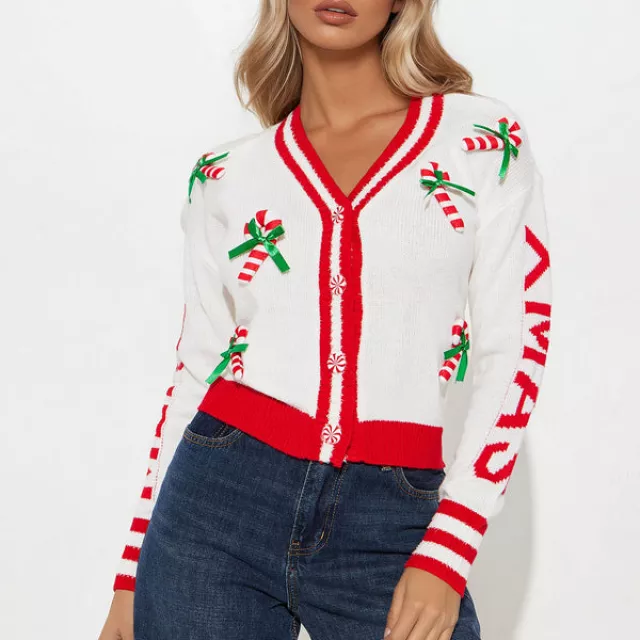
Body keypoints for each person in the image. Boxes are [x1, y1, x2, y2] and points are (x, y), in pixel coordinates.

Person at [99, 1, 552, 638]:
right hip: (215, 508)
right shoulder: (226, 175)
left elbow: (519, 343)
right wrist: (132, 573)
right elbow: (196, 372)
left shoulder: (481, 140)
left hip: (391, 515)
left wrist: (451, 546)